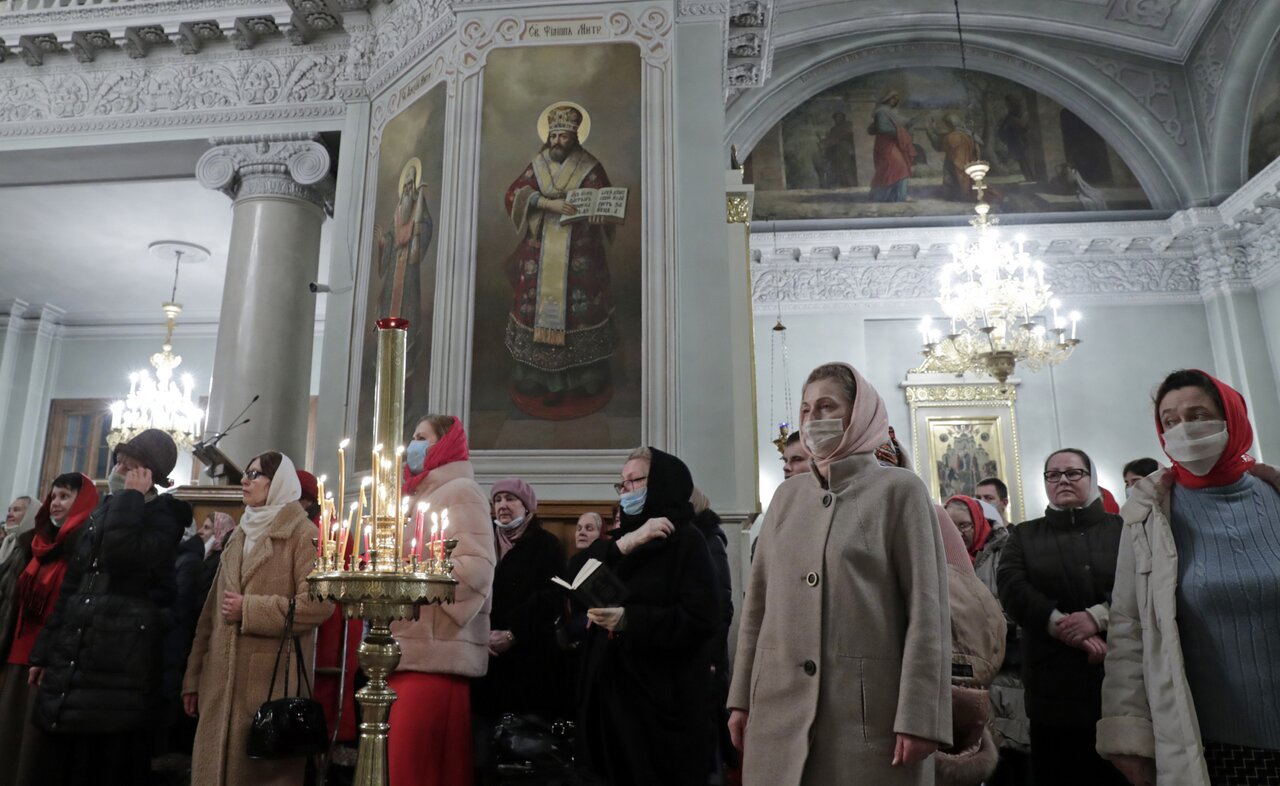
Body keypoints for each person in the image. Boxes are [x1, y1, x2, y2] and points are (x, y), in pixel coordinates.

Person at [729, 362, 952, 785]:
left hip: (867, 718)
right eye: (806, 409)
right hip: (778, 710)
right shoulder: (786, 498)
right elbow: (756, 609)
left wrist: (923, 714)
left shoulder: (900, 491)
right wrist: (741, 698)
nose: (813, 420)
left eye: (826, 406)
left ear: (859, 413)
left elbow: (928, 612)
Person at [1099, 370, 1280, 786]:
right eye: (1170, 421)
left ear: (1230, 419)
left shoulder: (1275, 494)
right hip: (1210, 745)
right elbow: (1127, 626)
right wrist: (1127, 733)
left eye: (1198, 415)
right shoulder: (1149, 515)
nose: (1184, 429)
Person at [28, 429, 190, 785]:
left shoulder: (166, 516)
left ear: (148, 473)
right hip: (76, 649)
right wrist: (44, 653)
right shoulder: (105, 511)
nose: (116, 468)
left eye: (127, 464)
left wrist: (130, 499)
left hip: (118, 664)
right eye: (118, 461)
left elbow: (123, 553)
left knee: (101, 763)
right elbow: (73, 584)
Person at [182, 452, 334, 786]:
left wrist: (250, 609)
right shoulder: (238, 534)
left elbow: (320, 604)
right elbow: (210, 615)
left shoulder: (301, 534)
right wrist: (194, 678)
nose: (245, 480)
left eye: (255, 474)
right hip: (219, 683)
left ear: (278, 483)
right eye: (246, 473)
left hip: (267, 683)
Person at [577, 447, 719, 786]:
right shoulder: (626, 539)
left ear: (660, 483)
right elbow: (578, 579)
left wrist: (630, 620)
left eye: (634, 481)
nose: (625, 490)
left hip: (659, 702)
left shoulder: (687, 541)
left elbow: (701, 618)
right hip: (611, 697)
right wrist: (626, 543)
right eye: (621, 484)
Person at [996, 448, 1125, 786]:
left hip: (1120, 680)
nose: (1062, 480)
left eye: (1073, 473)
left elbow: (1140, 586)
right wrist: (1064, 626)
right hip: (1051, 686)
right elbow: (1013, 588)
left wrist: (1098, 618)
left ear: (1091, 477)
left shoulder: (1123, 530)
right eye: (1053, 474)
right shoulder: (1024, 535)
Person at [390, 414, 495, 786]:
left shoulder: (460, 491)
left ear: (444, 445)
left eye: (421, 437)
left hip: (435, 655)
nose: (412, 445)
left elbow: (475, 570)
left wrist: (411, 574)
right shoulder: (422, 495)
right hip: (412, 652)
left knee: (413, 770)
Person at [504, 103, 619, 408]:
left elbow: (604, 198)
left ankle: (586, 377)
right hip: (540, 250)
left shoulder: (589, 165)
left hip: (579, 251)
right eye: (553, 135)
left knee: (578, 311)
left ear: (575, 137)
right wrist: (545, 203)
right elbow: (515, 193)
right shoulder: (538, 163)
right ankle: (540, 377)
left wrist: (600, 215)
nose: (556, 141)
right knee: (536, 307)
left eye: (563, 136)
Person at [0, 473, 98, 786]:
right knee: (8, 737)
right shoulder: (36, 543)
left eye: (65, 496)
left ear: (82, 502)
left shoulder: (85, 547)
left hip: (50, 662)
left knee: (33, 751)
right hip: (17, 654)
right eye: (53, 496)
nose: (56, 503)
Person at [473, 475, 566, 752]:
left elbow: (554, 598)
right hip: (485, 660)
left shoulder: (547, 545)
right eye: (498, 499)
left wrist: (514, 634)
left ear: (527, 506)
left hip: (528, 661)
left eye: (510, 499)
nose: (503, 505)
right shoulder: (482, 544)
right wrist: (478, 637)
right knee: (480, 749)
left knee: (522, 751)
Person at [868, 89, 920, 202]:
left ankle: (893, 196)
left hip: (893, 143)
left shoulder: (892, 113)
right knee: (898, 167)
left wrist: (916, 118)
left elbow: (905, 123)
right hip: (885, 144)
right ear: (887, 99)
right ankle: (899, 196)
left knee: (895, 168)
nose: (894, 101)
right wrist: (900, 132)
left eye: (896, 99)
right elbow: (883, 128)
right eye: (892, 99)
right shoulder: (881, 112)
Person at [944, 495, 993, 565]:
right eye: (950, 526)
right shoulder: (939, 557)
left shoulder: (998, 555)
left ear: (978, 524)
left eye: (964, 525)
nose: (958, 534)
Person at [819, 112, 858, 188]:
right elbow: (831, 139)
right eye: (836, 118)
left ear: (843, 118)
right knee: (837, 168)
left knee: (847, 167)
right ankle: (841, 183)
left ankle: (851, 183)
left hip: (846, 150)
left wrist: (835, 140)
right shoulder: (833, 129)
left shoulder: (848, 125)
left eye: (839, 117)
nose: (837, 119)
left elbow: (847, 136)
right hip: (836, 152)